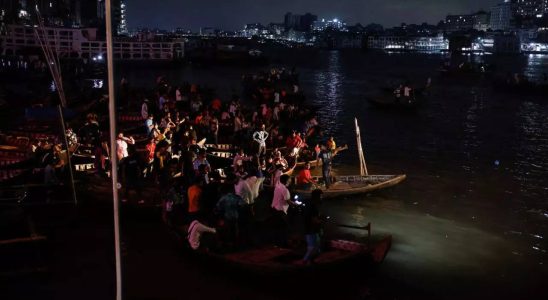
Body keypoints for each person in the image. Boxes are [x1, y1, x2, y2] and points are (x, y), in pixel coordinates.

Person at [302, 189, 324, 264]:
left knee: (314, 246)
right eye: (321, 196)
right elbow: (314, 221)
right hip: (312, 229)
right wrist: (322, 220)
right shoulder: (314, 206)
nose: (322, 197)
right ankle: (304, 261)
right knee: (312, 247)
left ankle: (310, 261)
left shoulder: (308, 203)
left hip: (307, 228)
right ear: (317, 197)